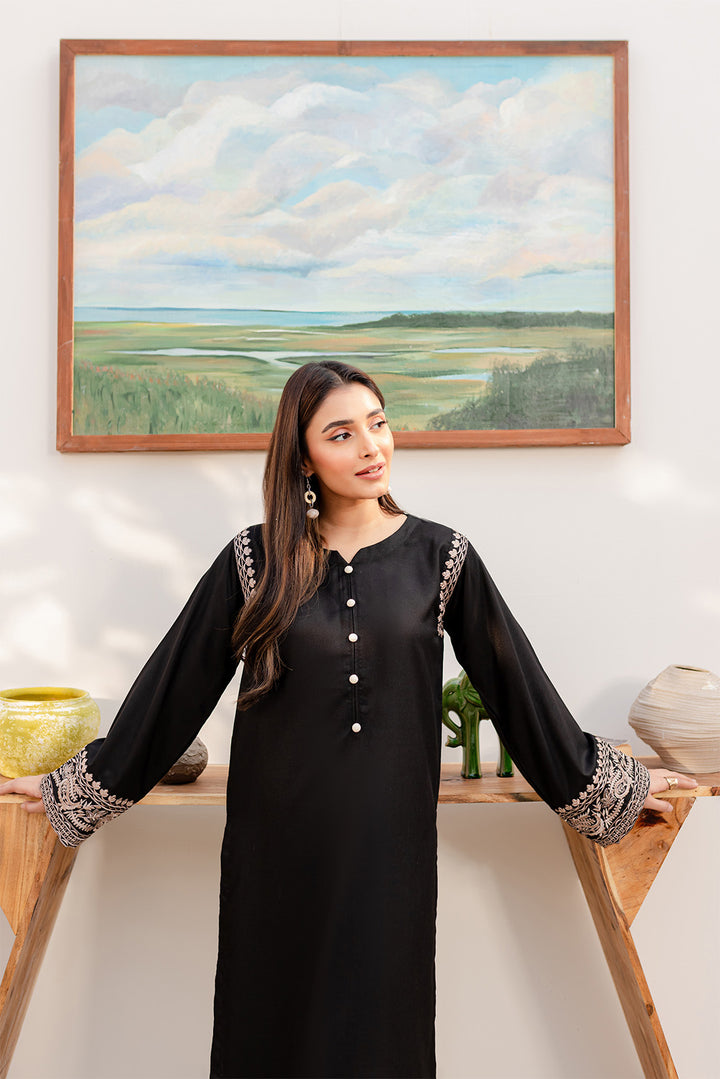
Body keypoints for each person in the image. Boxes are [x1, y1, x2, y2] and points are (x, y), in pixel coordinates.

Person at [0, 360, 697, 1079]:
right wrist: (75, 785)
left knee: (380, 1026)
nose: (371, 446)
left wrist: (605, 780)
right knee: (272, 1020)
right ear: (304, 455)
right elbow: (174, 688)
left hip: (387, 841)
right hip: (277, 840)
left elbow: (515, 683)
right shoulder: (255, 559)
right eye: (342, 433)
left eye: (378, 423)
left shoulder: (442, 556)